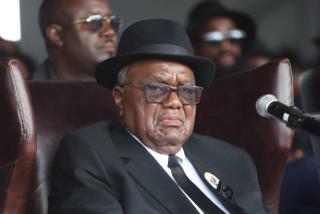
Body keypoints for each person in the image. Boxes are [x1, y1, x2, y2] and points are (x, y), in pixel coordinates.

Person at [49, 19, 268, 214]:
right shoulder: (91, 153)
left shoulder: (232, 159)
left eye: (187, 91)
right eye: (157, 89)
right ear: (119, 96)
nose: (175, 102)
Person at [32, 0, 122, 80]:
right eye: (94, 22)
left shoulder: (126, 92)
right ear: (56, 35)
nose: (110, 31)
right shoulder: (25, 96)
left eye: (113, 21)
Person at [187, 0, 256, 77]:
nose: (226, 47)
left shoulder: (258, 84)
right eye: (214, 39)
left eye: (234, 37)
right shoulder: (187, 87)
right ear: (194, 47)